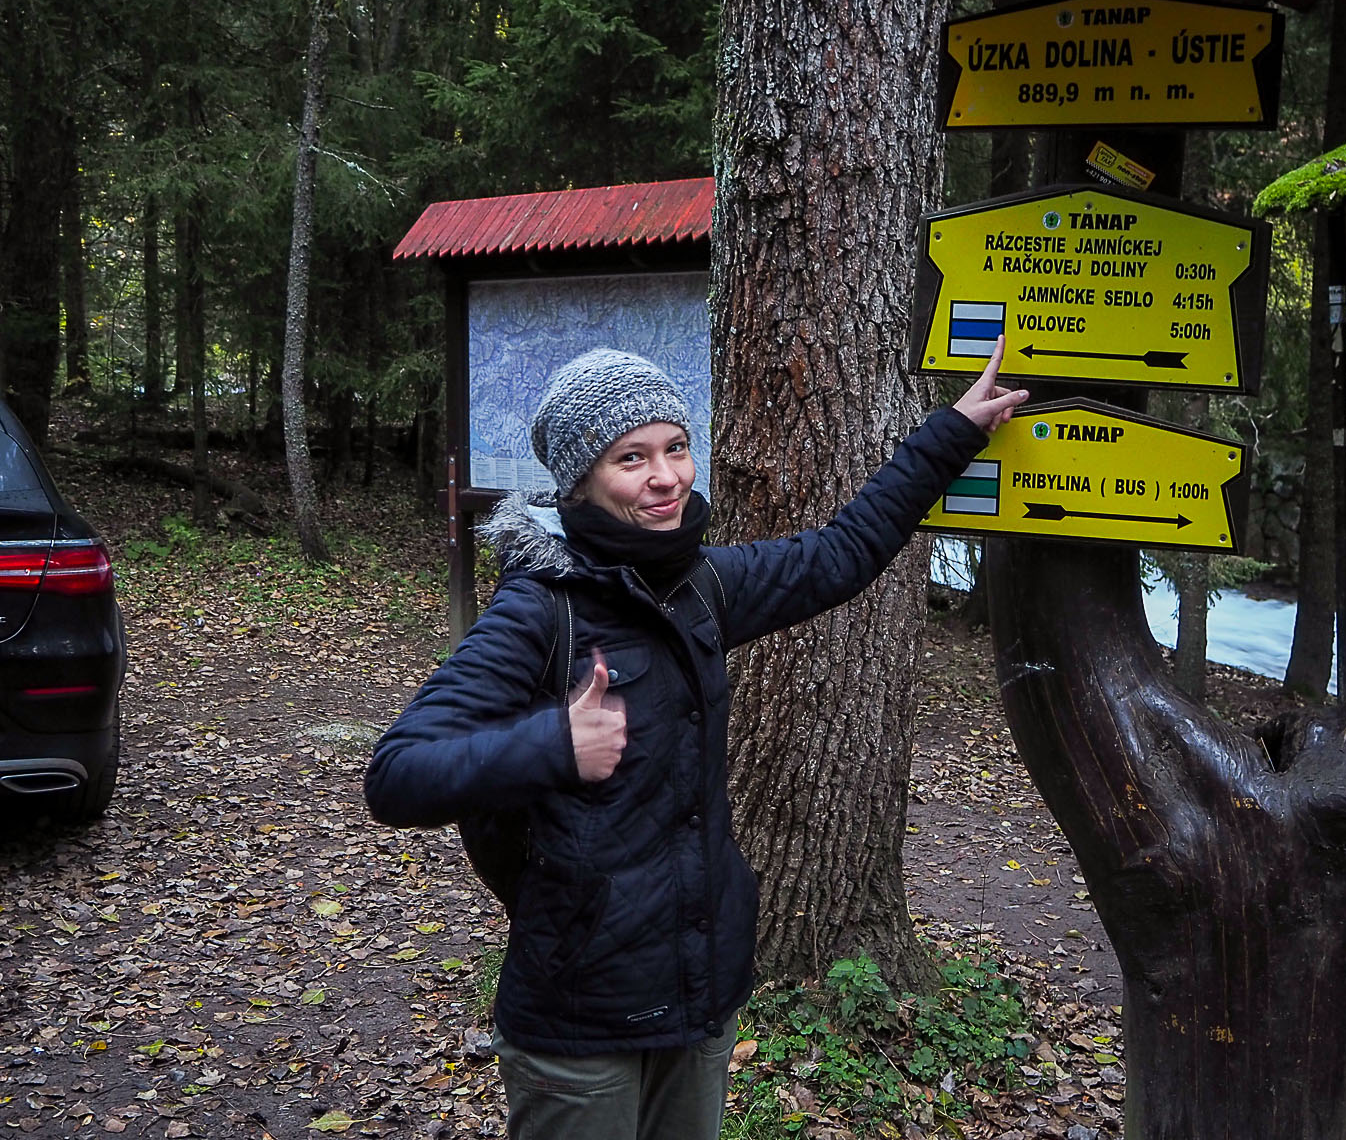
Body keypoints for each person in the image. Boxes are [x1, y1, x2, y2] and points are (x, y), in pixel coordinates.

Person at [364, 341, 1027, 1140]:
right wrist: (552, 744)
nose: (666, 476)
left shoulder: (699, 584)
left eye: (675, 447)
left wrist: (952, 431)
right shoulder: (538, 611)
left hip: (700, 992)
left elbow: (842, 554)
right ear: (580, 481)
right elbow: (396, 775)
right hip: (582, 1015)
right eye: (630, 458)